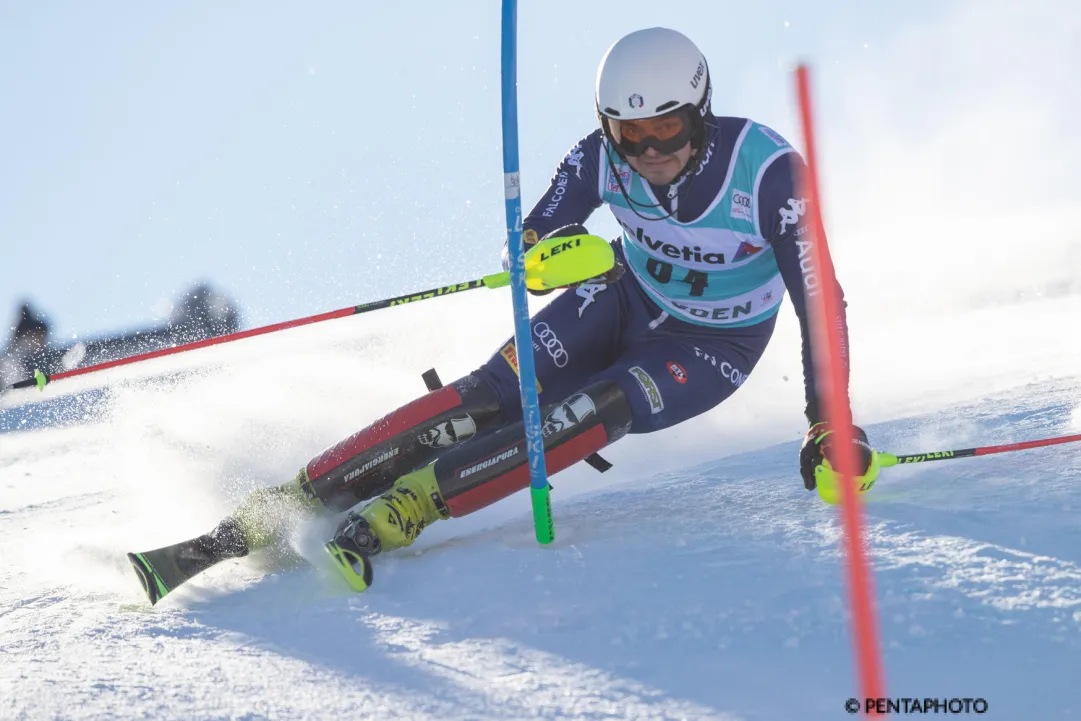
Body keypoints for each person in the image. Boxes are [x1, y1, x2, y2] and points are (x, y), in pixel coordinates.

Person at [128, 27, 879, 603]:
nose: (648, 151)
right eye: (629, 132)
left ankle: (403, 509)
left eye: (667, 131)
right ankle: (288, 500)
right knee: (485, 393)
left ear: (700, 114)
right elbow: (542, 225)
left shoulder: (770, 173)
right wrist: (533, 249)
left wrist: (827, 418)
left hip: (713, 344)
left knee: (595, 406)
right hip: (622, 295)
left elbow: (820, 300)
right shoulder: (599, 157)